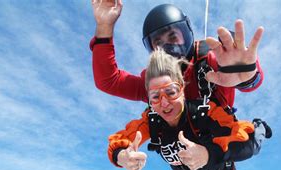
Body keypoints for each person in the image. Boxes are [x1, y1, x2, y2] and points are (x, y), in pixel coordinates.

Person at [107, 49, 271, 170]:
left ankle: (260, 126)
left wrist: (208, 155)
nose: (164, 104)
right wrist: (121, 156)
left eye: (171, 92)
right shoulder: (152, 119)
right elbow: (122, 139)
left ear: (182, 90)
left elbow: (244, 137)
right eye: (155, 97)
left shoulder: (204, 111)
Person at [90, 0, 265, 108]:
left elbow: (248, 81)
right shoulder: (155, 84)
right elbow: (108, 81)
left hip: (220, 160)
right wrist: (105, 27)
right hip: (182, 165)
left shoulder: (212, 60)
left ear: (187, 32)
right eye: (158, 43)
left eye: (173, 36)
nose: (167, 47)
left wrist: (247, 74)